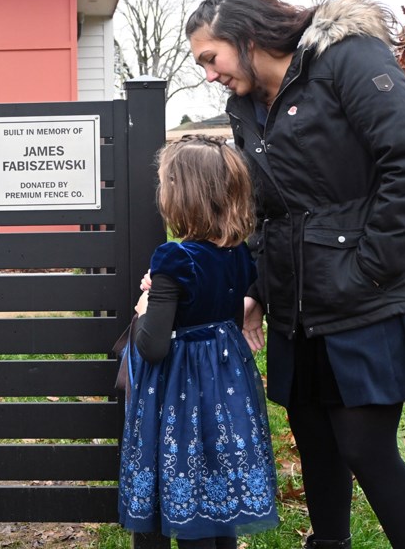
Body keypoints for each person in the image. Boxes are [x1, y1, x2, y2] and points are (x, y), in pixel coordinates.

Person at [185, 0, 405, 549]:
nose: (209, 73)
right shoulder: (248, 108)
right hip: (297, 304)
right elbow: (264, 209)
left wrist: (369, 268)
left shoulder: (347, 59)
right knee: (318, 447)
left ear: (245, 36)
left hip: (368, 296)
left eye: (211, 57)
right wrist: (255, 286)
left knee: (365, 449)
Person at [117, 135, 279, 547]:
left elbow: (153, 344)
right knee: (215, 483)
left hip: (175, 397)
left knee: (172, 476)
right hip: (225, 394)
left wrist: (145, 306)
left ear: (181, 194)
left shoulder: (174, 258)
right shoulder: (238, 254)